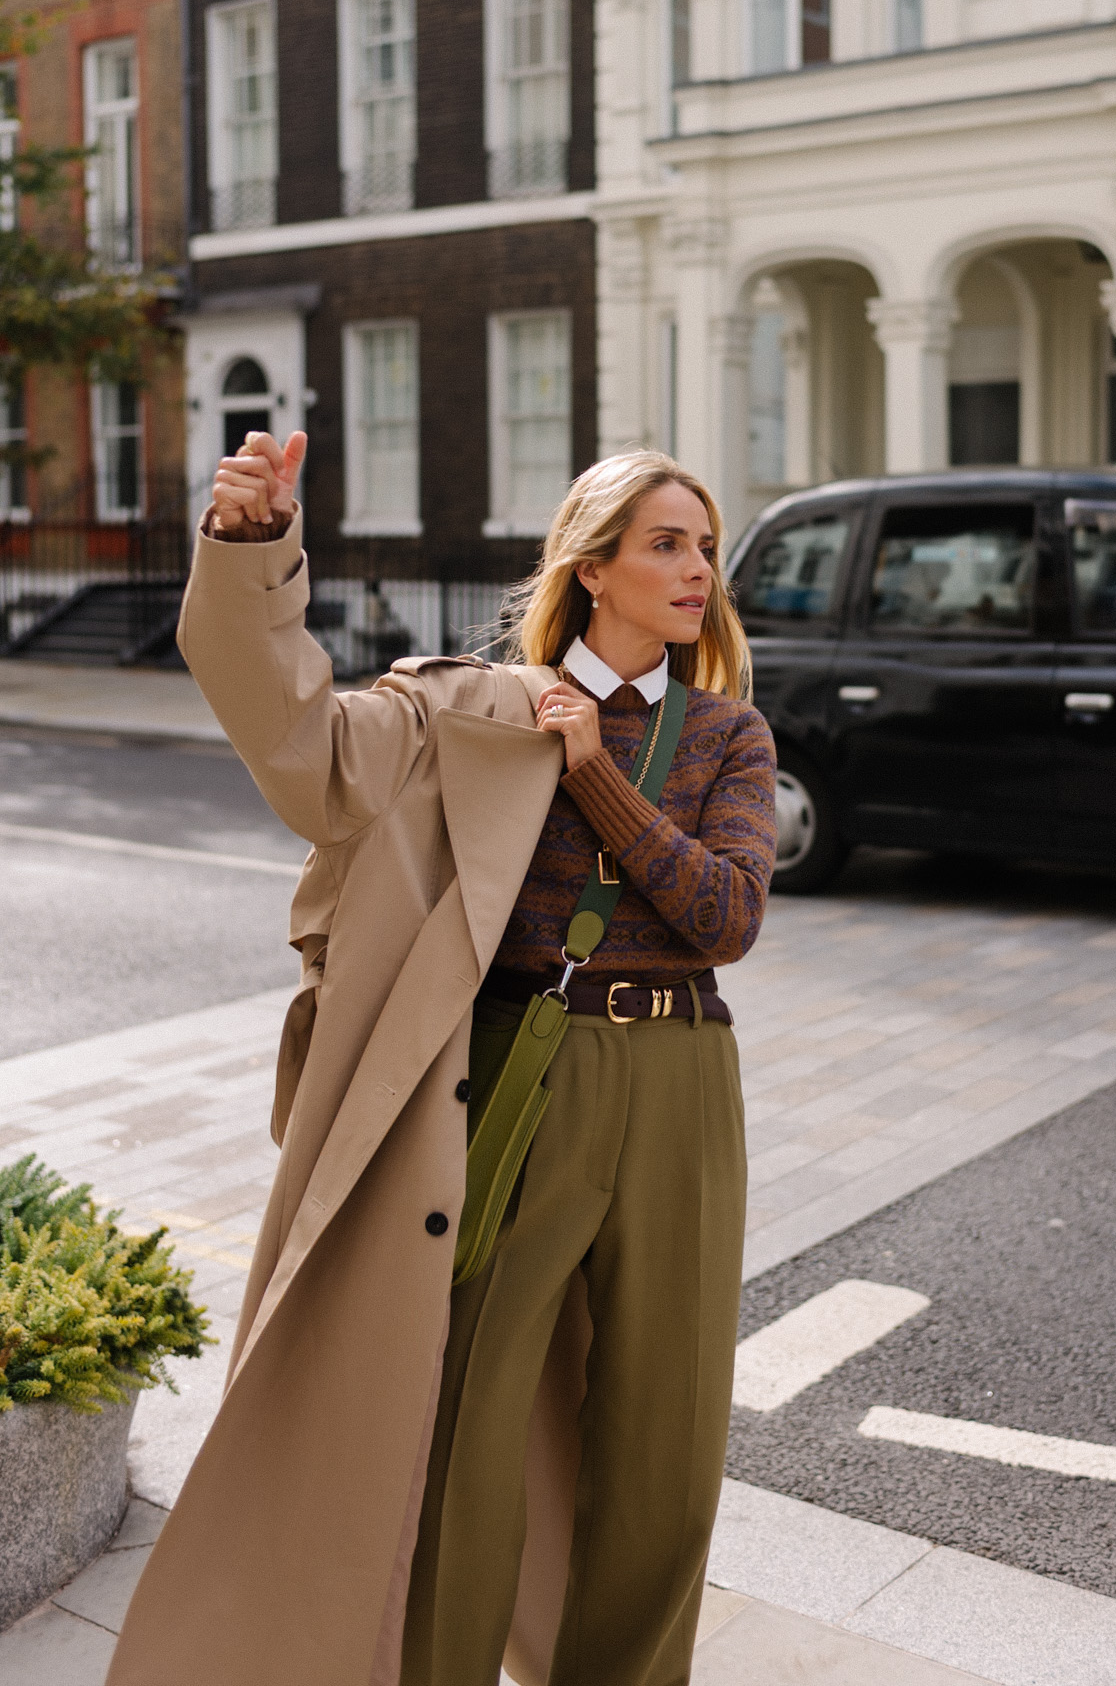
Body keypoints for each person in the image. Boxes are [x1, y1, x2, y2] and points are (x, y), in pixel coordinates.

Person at [108, 432, 777, 1686]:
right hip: (521, 1073)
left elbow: (726, 918)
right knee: (469, 1414)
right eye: (667, 546)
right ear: (591, 569)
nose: (698, 573)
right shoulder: (474, 710)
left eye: (706, 550)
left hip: (686, 1082)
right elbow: (304, 740)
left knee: (667, 1441)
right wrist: (255, 552)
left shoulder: (727, 735)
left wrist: (601, 780)